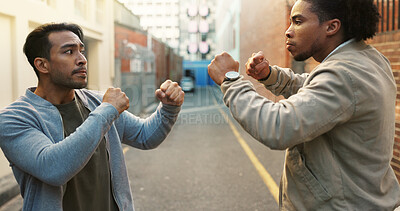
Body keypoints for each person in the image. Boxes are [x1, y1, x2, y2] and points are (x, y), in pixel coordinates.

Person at [208, 0, 400, 210]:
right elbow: (315, 90)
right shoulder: (366, 59)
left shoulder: (344, 74)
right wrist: (271, 76)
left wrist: (230, 79)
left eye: (298, 21)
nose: (288, 31)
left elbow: (277, 126)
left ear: (331, 27)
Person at [0, 23, 184, 211]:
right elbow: (52, 168)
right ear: (42, 65)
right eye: (69, 52)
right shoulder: (14, 119)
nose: (82, 59)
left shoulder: (98, 102)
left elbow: (145, 136)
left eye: (81, 51)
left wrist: (169, 108)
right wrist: (107, 111)